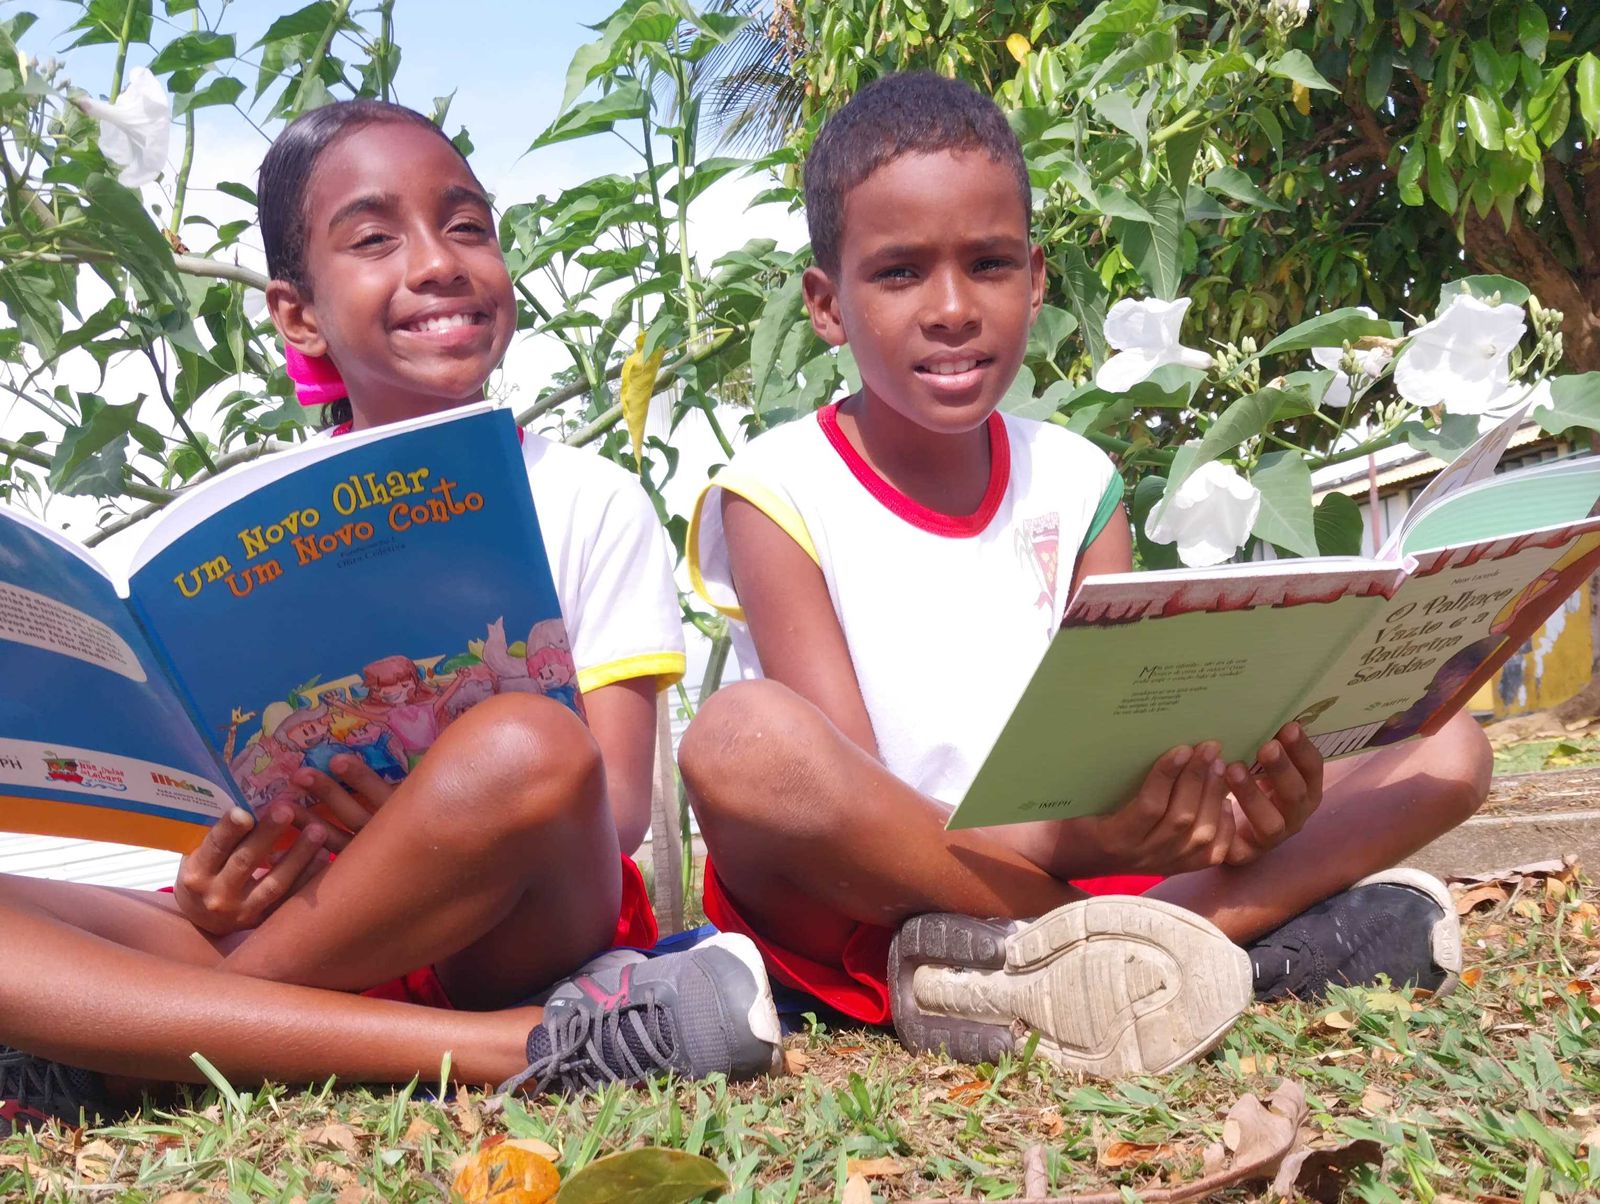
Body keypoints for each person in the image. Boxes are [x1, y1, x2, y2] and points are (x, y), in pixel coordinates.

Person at [679, 73, 1491, 1079]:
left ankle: (1081, 963)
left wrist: (1233, 801)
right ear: (825, 304)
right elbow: (847, 786)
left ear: (1035, 280)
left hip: (1093, 850)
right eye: (897, 273)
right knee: (740, 740)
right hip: (882, 884)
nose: (950, 308)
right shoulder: (775, 486)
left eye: (987, 265)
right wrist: (1074, 839)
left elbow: (1121, 733)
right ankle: (1169, 945)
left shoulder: (1078, 477)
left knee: (1446, 748)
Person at [0, 99, 781, 1132]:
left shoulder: (590, 496)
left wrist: (414, 826)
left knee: (529, 745)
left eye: (467, 226)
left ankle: (138, 1053)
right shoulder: (241, 530)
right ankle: (517, 1043)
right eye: (375, 239)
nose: (439, 261)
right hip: (297, 920)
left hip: (510, 914)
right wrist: (214, 879)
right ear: (298, 315)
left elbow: (618, 808)